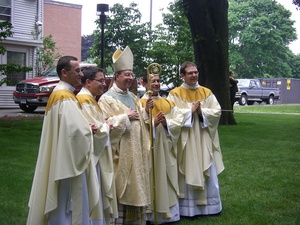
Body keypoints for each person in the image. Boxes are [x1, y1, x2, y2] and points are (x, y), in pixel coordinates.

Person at [27, 56, 103, 225]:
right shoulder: (65, 97)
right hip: (68, 161)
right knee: (67, 204)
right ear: (64, 72)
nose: (81, 74)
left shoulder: (60, 93)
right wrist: (89, 129)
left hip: (61, 154)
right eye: (77, 70)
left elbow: (69, 126)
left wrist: (84, 127)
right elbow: (75, 132)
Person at [98, 46, 152, 225]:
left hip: (136, 151)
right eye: (126, 75)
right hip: (120, 154)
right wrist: (124, 117)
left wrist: (146, 112)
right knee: (124, 186)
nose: (130, 78)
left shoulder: (134, 98)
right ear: (116, 76)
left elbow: (140, 120)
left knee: (137, 185)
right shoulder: (105, 99)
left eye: (131, 75)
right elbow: (105, 124)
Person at [167, 61, 225, 217]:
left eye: (196, 72)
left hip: (203, 137)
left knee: (206, 165)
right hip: (185, 140)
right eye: (190, 73)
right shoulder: (174, 94)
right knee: (185, 167)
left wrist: (201, 112)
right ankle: (187, 209)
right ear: (182, 75)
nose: (194, 75)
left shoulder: (207, 92)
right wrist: (189, 111)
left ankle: (210, 207)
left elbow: (216, 112)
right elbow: (171, 115)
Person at [140, 74, 191, 224]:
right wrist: (152, 123)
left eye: (158, 81)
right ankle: (149, 214)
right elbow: (137, 127)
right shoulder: (139, 102)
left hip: (166, 147)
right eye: (152, 81)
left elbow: (178, 120)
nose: (156, 84)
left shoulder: (167, 103)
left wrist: (166, 123)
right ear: (143, 83)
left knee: (167, 177)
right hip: (149, 149)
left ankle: (168, 213)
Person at [77, 66, 118, 224]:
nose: (104, 84)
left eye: (104, 80)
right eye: (100, 80)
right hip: (91, 156)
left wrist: (104, 125)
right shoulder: (84, 100)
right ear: (88, 82)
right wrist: (107, 126)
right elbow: (93, 130)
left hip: (97, 154)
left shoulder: (90, 99)